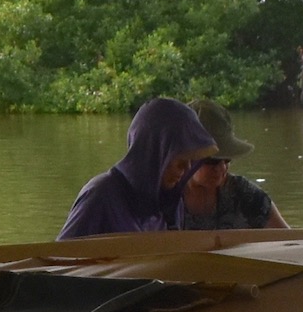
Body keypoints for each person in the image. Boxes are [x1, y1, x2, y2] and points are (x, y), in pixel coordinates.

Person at [60, 98, 217, 239]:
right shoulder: (101, 195)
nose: (187, 168)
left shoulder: (171, 204)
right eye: (180, 159)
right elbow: (58, 260)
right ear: (153, 153)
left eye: (191, 160)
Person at [177, 100, 288, 230]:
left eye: (227, 159)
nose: (222, 168)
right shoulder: (161, 198)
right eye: (213, 160)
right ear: (186, 156)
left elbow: (290, 241)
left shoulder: (246, 196)